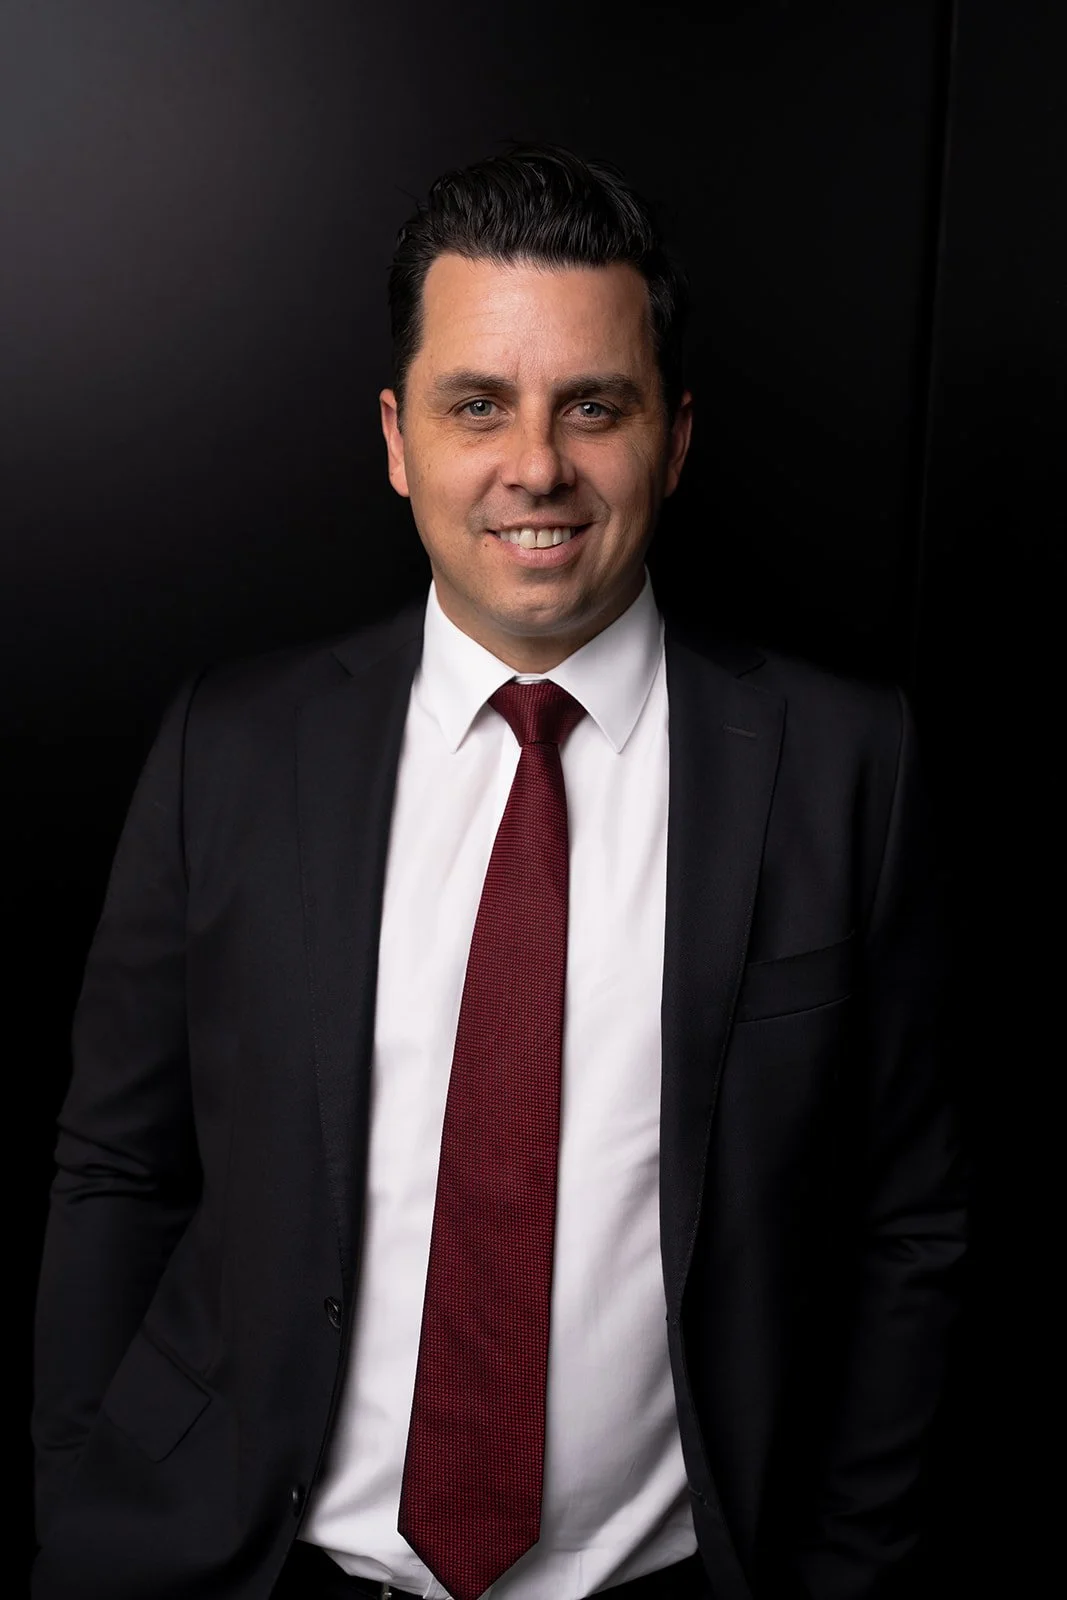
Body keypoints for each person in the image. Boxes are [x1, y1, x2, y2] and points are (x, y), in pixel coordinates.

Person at [31, 144, 965, 1600]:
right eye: (480, 404)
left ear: (673, 436)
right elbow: (118, 1167)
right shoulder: (234, 747)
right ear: (400, 438)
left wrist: (847, 1572)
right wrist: (84, 1500)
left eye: (593, 404)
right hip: (263, 1572)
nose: (537, 463)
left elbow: (907, 1222)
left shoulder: (848, 765)